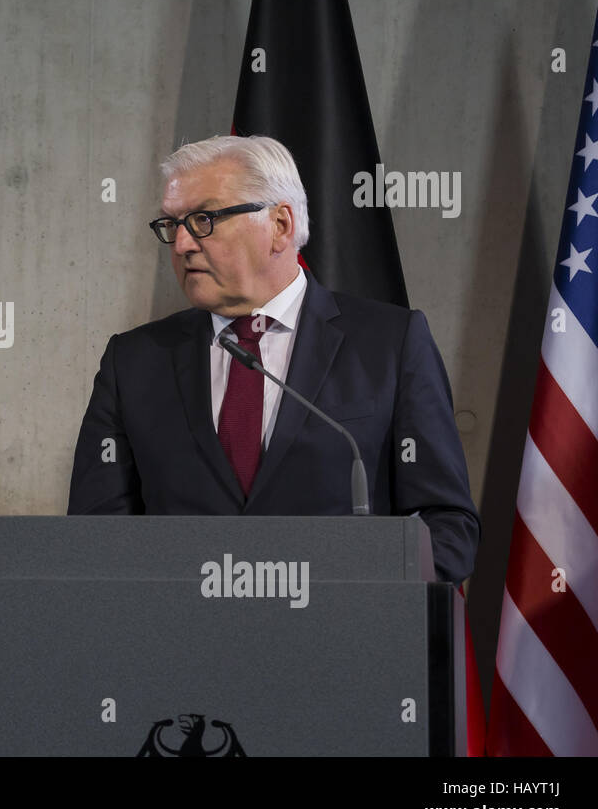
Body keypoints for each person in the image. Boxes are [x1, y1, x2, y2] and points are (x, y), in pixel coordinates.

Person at [67, 135, 479, 583]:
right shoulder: (133, 362)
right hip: (181, 642)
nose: (182, 243)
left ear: (280, 224)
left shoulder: (391, 344)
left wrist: (356, 598)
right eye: (172, 224)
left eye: (204, 219)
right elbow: (94, 538)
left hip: (340, 639)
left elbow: (447, 528)